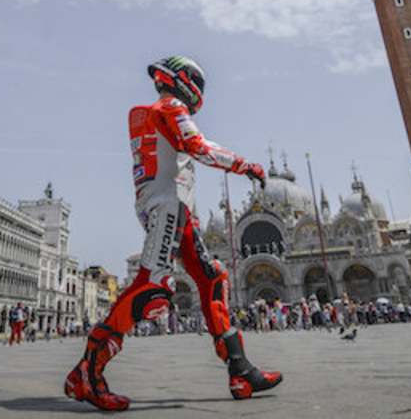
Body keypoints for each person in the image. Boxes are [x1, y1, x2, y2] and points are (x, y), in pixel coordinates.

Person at [64, 56, 281, 411]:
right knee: (152, 289)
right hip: (167, 206)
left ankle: (241, 370)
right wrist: (246, 165)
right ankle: (87, 371)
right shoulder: (171, 106)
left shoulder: (153, 111)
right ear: (185, 81)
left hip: (175, 208)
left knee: (211, 278)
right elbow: (198, 147)